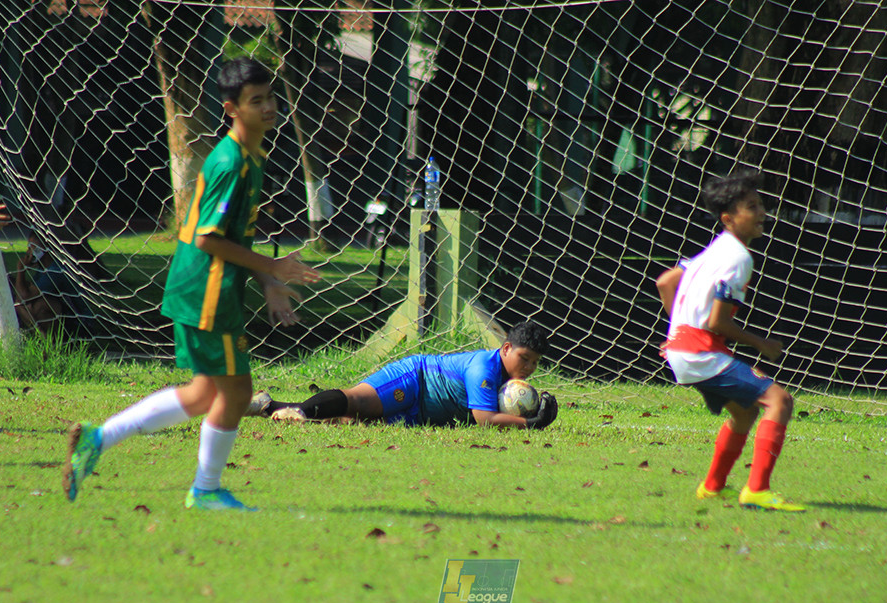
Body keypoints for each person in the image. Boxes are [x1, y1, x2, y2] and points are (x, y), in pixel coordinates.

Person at [63, 57, 319, 511]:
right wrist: (273, 267)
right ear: (231, 109)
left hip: (207, 289)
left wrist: (268, 282)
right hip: (206, 292)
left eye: (270, 97)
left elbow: (233, 238)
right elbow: (206, 238)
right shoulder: (231, 163)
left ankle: (101, 440)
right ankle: (204, 489)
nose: (268, 107)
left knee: (206, 393)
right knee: (236, 392)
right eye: (255, 101)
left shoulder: (250, 157)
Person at [656, 170, 803, 512]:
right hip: (699, 352)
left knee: (744, 412)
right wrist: (762, 344)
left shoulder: (715, 249)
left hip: (683, 348)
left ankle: (712, 487)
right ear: (728, 218)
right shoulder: (739, 258)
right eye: (751, 207)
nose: (762, 212)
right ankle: (757, 490)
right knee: (779, 401)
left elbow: (665, 282)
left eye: (760, 204)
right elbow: (717, 322)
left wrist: (676, 332)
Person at [248, 321, 559, 430]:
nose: (528, 368)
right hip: (415, 380)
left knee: (350, 420)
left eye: (534, 363)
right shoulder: (484, 368)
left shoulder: (510, 381)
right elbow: (484, 419)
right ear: (506, 348)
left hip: (420, 413)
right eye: (524, 358)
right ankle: (300, 411)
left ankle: (268, 406)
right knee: (357, 402)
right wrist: (530, 423)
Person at [13, 233, 91, 335]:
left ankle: (48, 338)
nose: (28, 252)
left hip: (80, 322)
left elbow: (25, 297)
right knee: (23, 305)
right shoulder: (43, 268)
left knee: (39, 305)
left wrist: (20, 270)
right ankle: (42, 336)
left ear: (43, 249)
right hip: (65, 317)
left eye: (32, 248)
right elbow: (23, 297)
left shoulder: (55, 270)